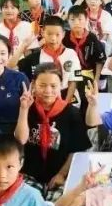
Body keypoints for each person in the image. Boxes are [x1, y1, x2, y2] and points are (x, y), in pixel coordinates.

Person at [14, 63, 92, 196]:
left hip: (59, 175)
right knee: (27, 202)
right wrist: (24, 110)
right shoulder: (26, 107)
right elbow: (20, 140)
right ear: (33, 85)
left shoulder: (71, 113)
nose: (48, 90)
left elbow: (76, 150)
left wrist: (62, 174)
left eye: (53, 86)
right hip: (28, 174)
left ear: (61, 85)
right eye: (42, 85)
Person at [12, 16, 81, 101]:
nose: (53, 38)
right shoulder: (35, 56)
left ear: (63, 34)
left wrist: (65, 104)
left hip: (66, 96)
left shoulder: (71, 54)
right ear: (42, 32)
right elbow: (10, 67)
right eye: (49, 34)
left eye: (57, 35)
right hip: (43, 97)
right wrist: (23, 46)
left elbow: (73, 81)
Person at [63, 5, 108, 97]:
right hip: (69, 72)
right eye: (72, 20)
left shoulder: (92, 38)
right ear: (68, 21)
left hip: (87, 73)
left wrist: (96, 80)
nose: (76, 23)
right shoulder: (64, 37)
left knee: (85, 94)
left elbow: (99, 61)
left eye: (80, 19)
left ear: (86, 20)